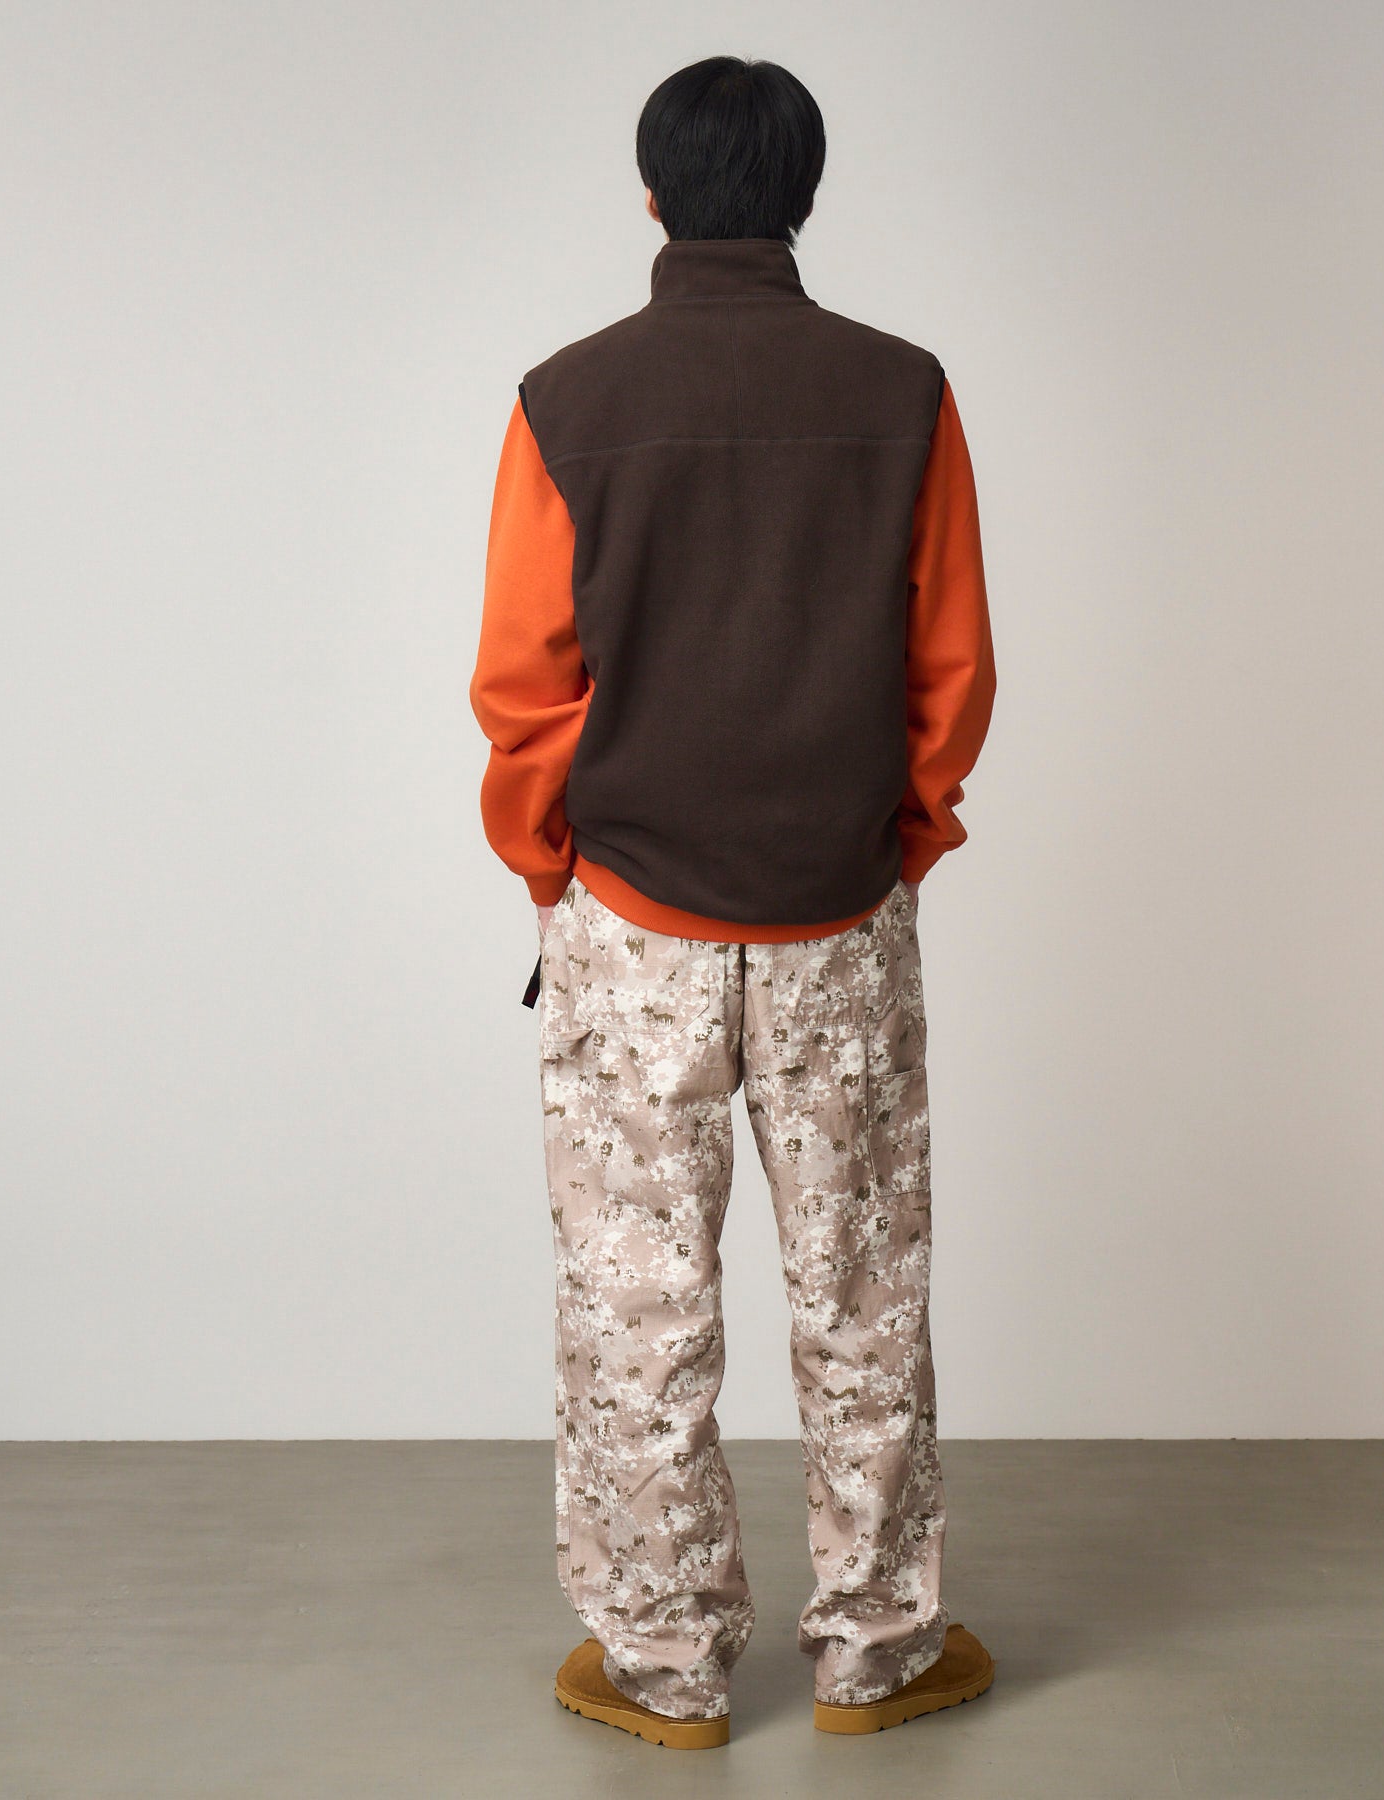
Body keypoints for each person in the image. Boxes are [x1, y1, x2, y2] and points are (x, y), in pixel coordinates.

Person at [469, 54, 997, 1749]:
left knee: (638, 1305)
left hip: (633, 921)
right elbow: (950, 672)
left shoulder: (566, 400)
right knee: (864, 1292)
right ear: (803, 196)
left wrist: (554, 870)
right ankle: (878, 1656)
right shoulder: (905, 392)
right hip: (841, 912)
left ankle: (666, 1669)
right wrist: (900, 835)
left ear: (652, 196)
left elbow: (524, 687)